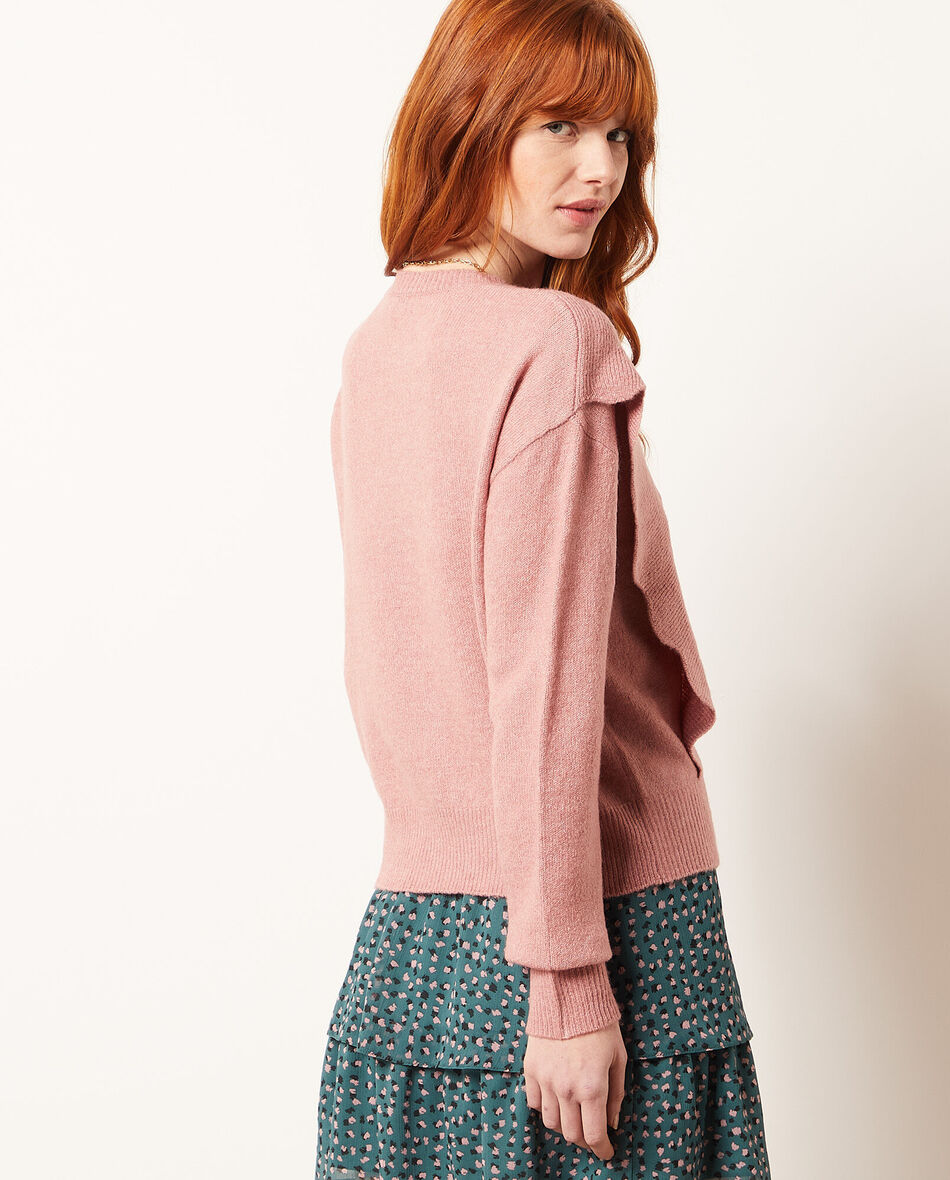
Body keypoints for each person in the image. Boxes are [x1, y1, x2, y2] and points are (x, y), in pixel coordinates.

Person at [314, 1, 772, 1176]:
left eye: (618, 135)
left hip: (410, 949)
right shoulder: (556, 344)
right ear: (468, 119)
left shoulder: (377, 345)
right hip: (603, 929)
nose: (600, 169)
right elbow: (544, 684)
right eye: (558, 125)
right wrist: (567, 984)